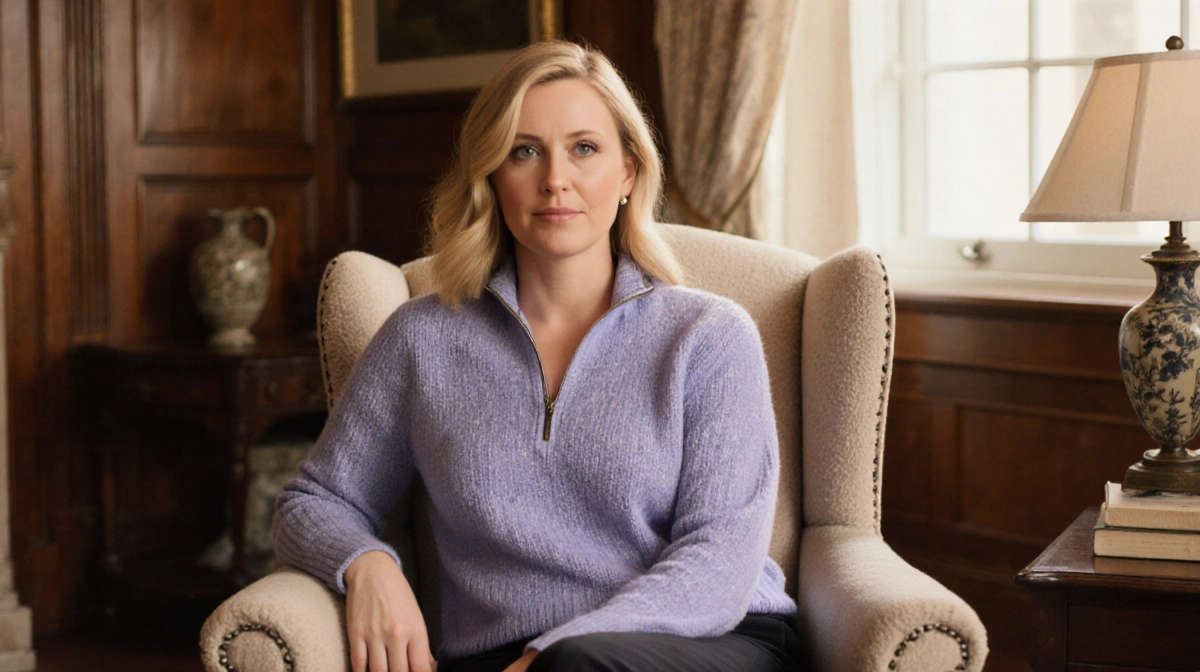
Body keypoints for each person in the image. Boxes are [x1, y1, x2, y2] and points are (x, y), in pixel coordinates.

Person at [273, 40, 803, 672]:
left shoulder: (710, 338)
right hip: (505, 658)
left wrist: (547, 655)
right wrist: (366, 563)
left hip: (707, 641)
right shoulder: (422, 339)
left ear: (628, 172)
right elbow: (312, 500)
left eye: (585, 148)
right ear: (492, 174)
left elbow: (720, 560)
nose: (555, 179)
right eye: (525, 151)